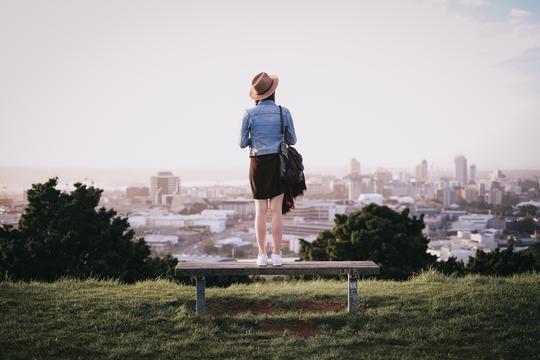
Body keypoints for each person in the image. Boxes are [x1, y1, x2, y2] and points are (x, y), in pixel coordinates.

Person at [239, 72, 297, 266]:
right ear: (273, 92)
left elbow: (242, 143)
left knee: (260, 210)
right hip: (277, 162)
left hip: (257, 163)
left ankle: (262, 255)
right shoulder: (284, 112)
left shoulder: (249, 113)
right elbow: (293, 140)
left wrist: (255, 138)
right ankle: (278, 255)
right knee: (275, 211)